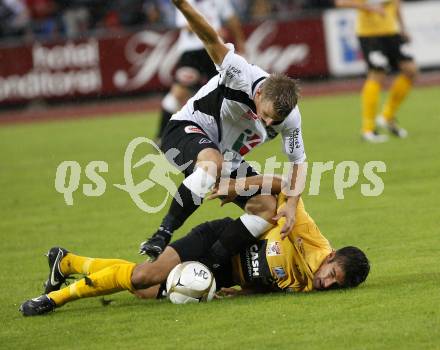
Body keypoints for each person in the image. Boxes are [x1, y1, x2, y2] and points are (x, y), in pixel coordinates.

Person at [140, 0, 307, 267]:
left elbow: (299, 162)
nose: (265, 122)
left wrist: (291, 204)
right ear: (260, 92)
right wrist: (182, 5)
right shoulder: (239, 72)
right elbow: (209, 35)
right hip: (184, 131)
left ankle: (212, 263)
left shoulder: (289, 117)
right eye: (264, 114)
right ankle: (162, 234)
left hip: (225, 156)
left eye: (273, 121)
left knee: (267, 208)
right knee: (212, 163)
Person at [19, 189, 370, 316]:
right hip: (215, 240)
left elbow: (272, 281)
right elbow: (287, 189)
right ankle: (56, 299)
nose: (327, 285)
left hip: (221, 275)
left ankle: (67, 262)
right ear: (331, 256)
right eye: (332, 275)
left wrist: (243, 291)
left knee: (143, 288)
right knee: (145, 275)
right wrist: (244, 192)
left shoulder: (312, 287)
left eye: (335, 286)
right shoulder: (311, 239)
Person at [157, 0, 246, 140]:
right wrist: (213, 31)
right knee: (178, 93)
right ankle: (162, 136)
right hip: (192, 53)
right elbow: (186, 25)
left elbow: (231, 19)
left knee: (225, 92)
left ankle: (233, 132)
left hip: (214, 50)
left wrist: (240, 42)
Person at [335, 0, 417, 143]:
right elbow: (340, 3)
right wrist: (369, 8)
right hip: (370, 35)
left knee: (410, 70)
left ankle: (386, 116)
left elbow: (396, 3)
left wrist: (403, 27)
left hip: (391, 32)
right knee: (377, 74)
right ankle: (368, 129)